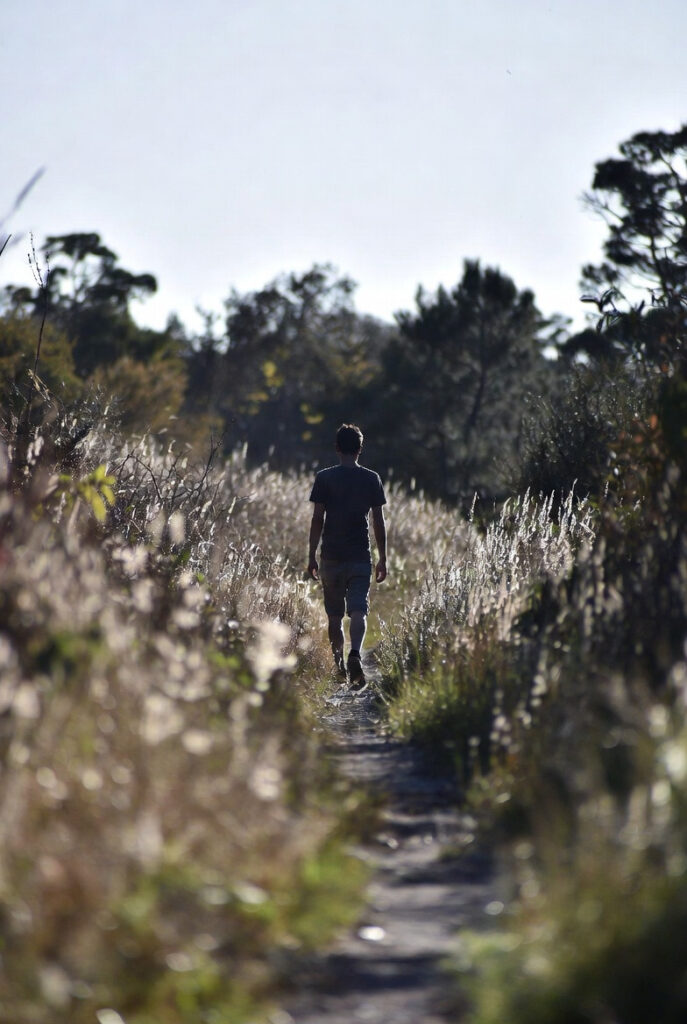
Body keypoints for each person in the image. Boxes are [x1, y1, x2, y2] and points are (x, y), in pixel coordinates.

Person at [307, 423, 387, 689]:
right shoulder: (371, 478)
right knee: (358, 610)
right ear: (360, 449)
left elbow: (317, 519)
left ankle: (339, 664)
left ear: (337, 448)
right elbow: (379, 522)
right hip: (360, 556)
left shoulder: (324, 478)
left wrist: (311, 555)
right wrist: (383, 558)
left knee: (334, 616)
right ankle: (355, 654)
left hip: (330, 556)